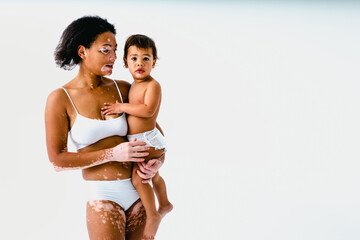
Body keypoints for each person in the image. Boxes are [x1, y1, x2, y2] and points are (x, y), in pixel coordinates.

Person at [45, 16, 164, 240]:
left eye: (116, 50)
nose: (114, 57)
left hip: (140, 194)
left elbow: (153, 134)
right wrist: (113, 153)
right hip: (104, 195)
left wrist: (158, 162)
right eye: (105, 50)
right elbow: (57, 161)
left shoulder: (124, 89)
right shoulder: (60, 99)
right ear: (83, 52)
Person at [101, 34, 173, 239]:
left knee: (139, 179)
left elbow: (148, 110)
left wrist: (120, 106)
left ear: (154, 62)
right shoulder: (132, 86)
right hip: (143, 138)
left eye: (145, 58)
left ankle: (153, 215)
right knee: (153, 175)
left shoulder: (153, 85)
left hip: (147, 139)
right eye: (134, 58)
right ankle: (165, 203)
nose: (139, 63)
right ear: (125, 62)